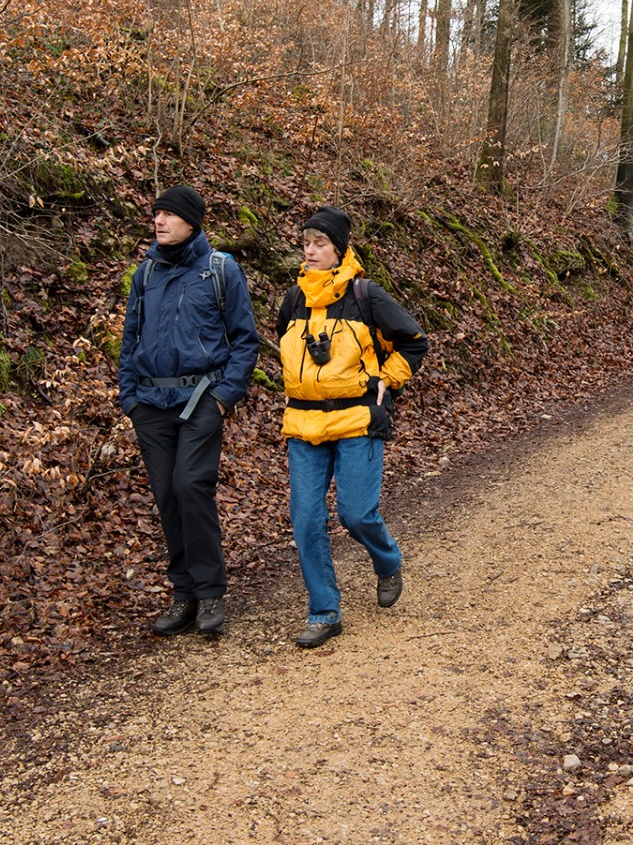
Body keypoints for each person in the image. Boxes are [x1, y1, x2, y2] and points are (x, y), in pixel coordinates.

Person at [276, 206, 429, 648]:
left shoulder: (366, 295)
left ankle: (387, 560)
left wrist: (387, 381)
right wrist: (294, 385)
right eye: (305, 243)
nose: (309, 250)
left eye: (319, 243)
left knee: (356, 513)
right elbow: (287, 349)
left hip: (358, 417)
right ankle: (324, 611)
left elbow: (414, 342)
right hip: (304, 422)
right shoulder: (293, 299)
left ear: (338, 249)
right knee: (306, 519)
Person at [118, 184, 260, 638]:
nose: (158, 221)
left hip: (201, 398)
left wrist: (223, 398)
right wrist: (130, 398)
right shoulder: (145, 275)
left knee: (190, 485)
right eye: (155, 214)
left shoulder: (221, 270)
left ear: (192, 221)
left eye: (168, 215)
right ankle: (184, 594)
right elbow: (130, 340)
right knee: (167, 494)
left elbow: (244, 341)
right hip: (150, 403)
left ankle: (210, 591)